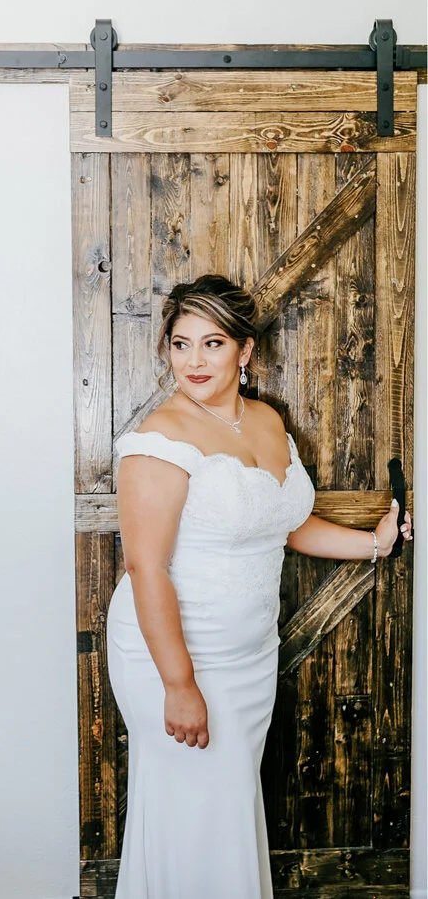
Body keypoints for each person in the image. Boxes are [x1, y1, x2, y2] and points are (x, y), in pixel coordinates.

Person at [105, 274, 413, 899]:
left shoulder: (267, 420)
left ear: (244, 350)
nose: (194, 360)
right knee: (191, 814)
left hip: (248, 657)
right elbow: (145, 568)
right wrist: (179, 685)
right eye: (181, 343)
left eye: (213, 343)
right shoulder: (158, 439)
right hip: (174, 657)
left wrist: (375, 543)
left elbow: (285, 524)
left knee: (225, 811)